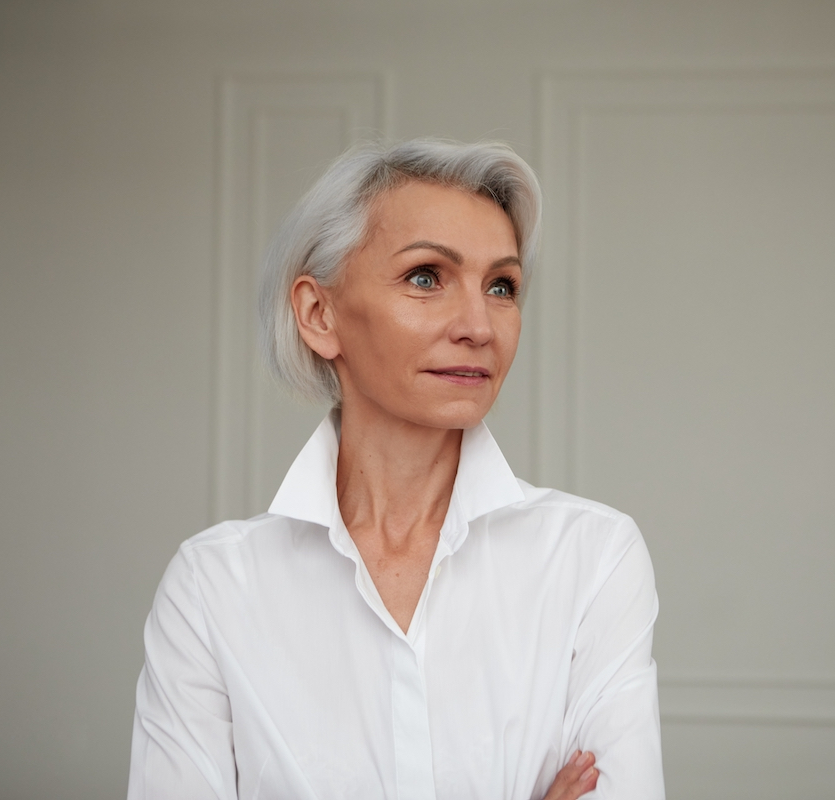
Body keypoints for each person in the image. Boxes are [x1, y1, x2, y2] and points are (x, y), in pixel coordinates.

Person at [127, 139, 664, 799]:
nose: (479, 325)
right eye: (426, 276)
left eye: (502, 286)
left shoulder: (592, 558)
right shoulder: (212, 589)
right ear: (318, 314)